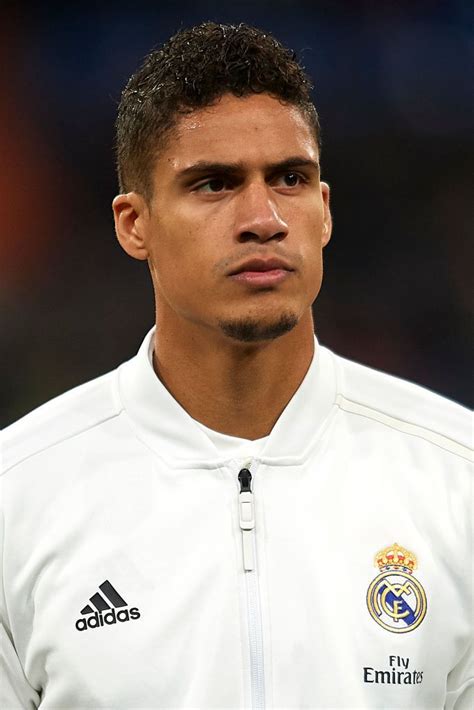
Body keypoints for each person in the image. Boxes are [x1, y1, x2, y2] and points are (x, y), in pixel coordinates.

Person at [1, 21, 471, 710]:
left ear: (325, 211)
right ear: (135, 224)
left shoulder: (456, 475)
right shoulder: (18, 494)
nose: (263, 218)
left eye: (290, 178)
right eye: (214, 184)